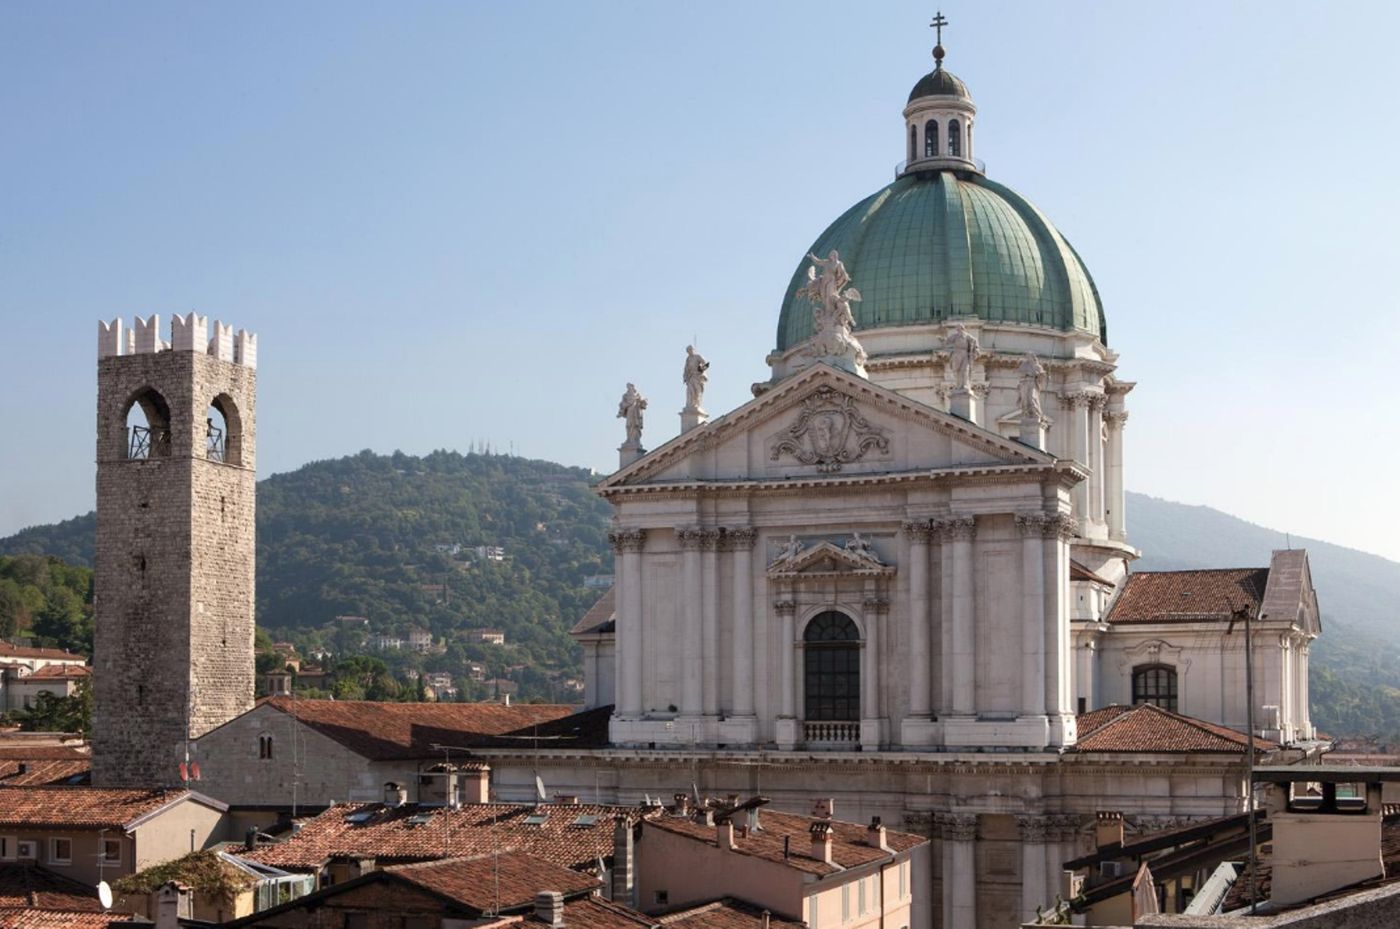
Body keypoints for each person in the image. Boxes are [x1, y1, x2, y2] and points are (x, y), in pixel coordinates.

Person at [682, 346, 709, 411]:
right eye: (688, 351)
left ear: (693, 350)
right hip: (691, 377)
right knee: (690, 391)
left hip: (697, 376)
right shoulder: (688, 359)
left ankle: (697, 404)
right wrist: (685, 377)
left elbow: (705, 364)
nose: (689, 352)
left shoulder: (698, 356)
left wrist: (701, 370)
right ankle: (690, 404)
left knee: (697, 390)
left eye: (690, 350)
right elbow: (686, 369)